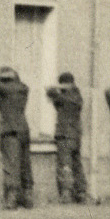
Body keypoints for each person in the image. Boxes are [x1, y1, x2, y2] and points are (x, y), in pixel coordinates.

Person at [0, 66, 33, 208]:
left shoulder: (6, 90)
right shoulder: (23, 88)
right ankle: (28, 198)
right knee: (25, 164)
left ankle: (11, 200)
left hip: (9, 130)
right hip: (24, 129)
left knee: (11, 164)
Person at [45, 72, 87, 204]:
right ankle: (81, 193)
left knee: (65, 165)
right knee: (77, 165)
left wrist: (59, 87)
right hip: (76, 136)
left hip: (64, 135)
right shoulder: (77, 96)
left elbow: (49, 90)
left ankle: (66, 194)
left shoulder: (61, 97)